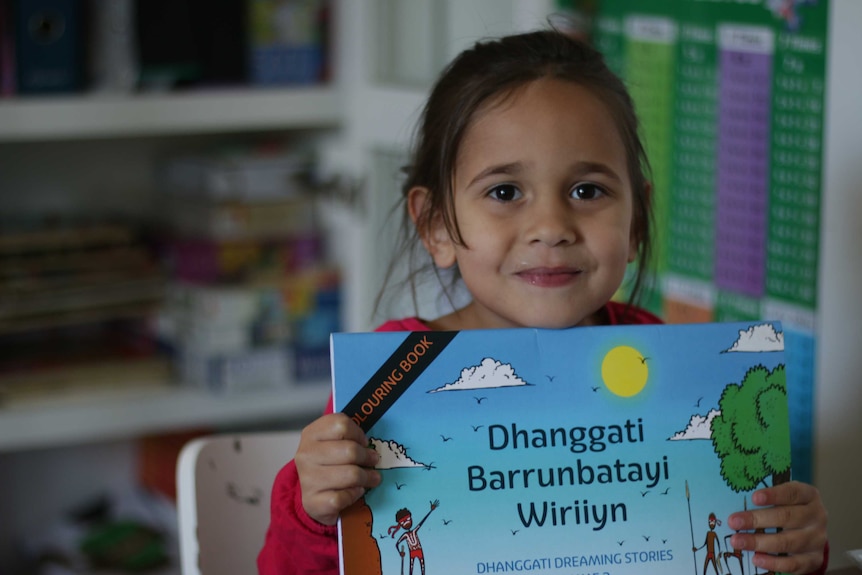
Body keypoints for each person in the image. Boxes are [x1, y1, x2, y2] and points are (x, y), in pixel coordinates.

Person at [258, 28, 828, 575]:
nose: (551, 226)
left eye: (588, 191)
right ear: (434, 226)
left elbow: (746, 544)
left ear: (636, 222)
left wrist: (792, 544)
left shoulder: (665, 358)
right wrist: (312, 511)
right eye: (504, 192)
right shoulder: (389, 377)